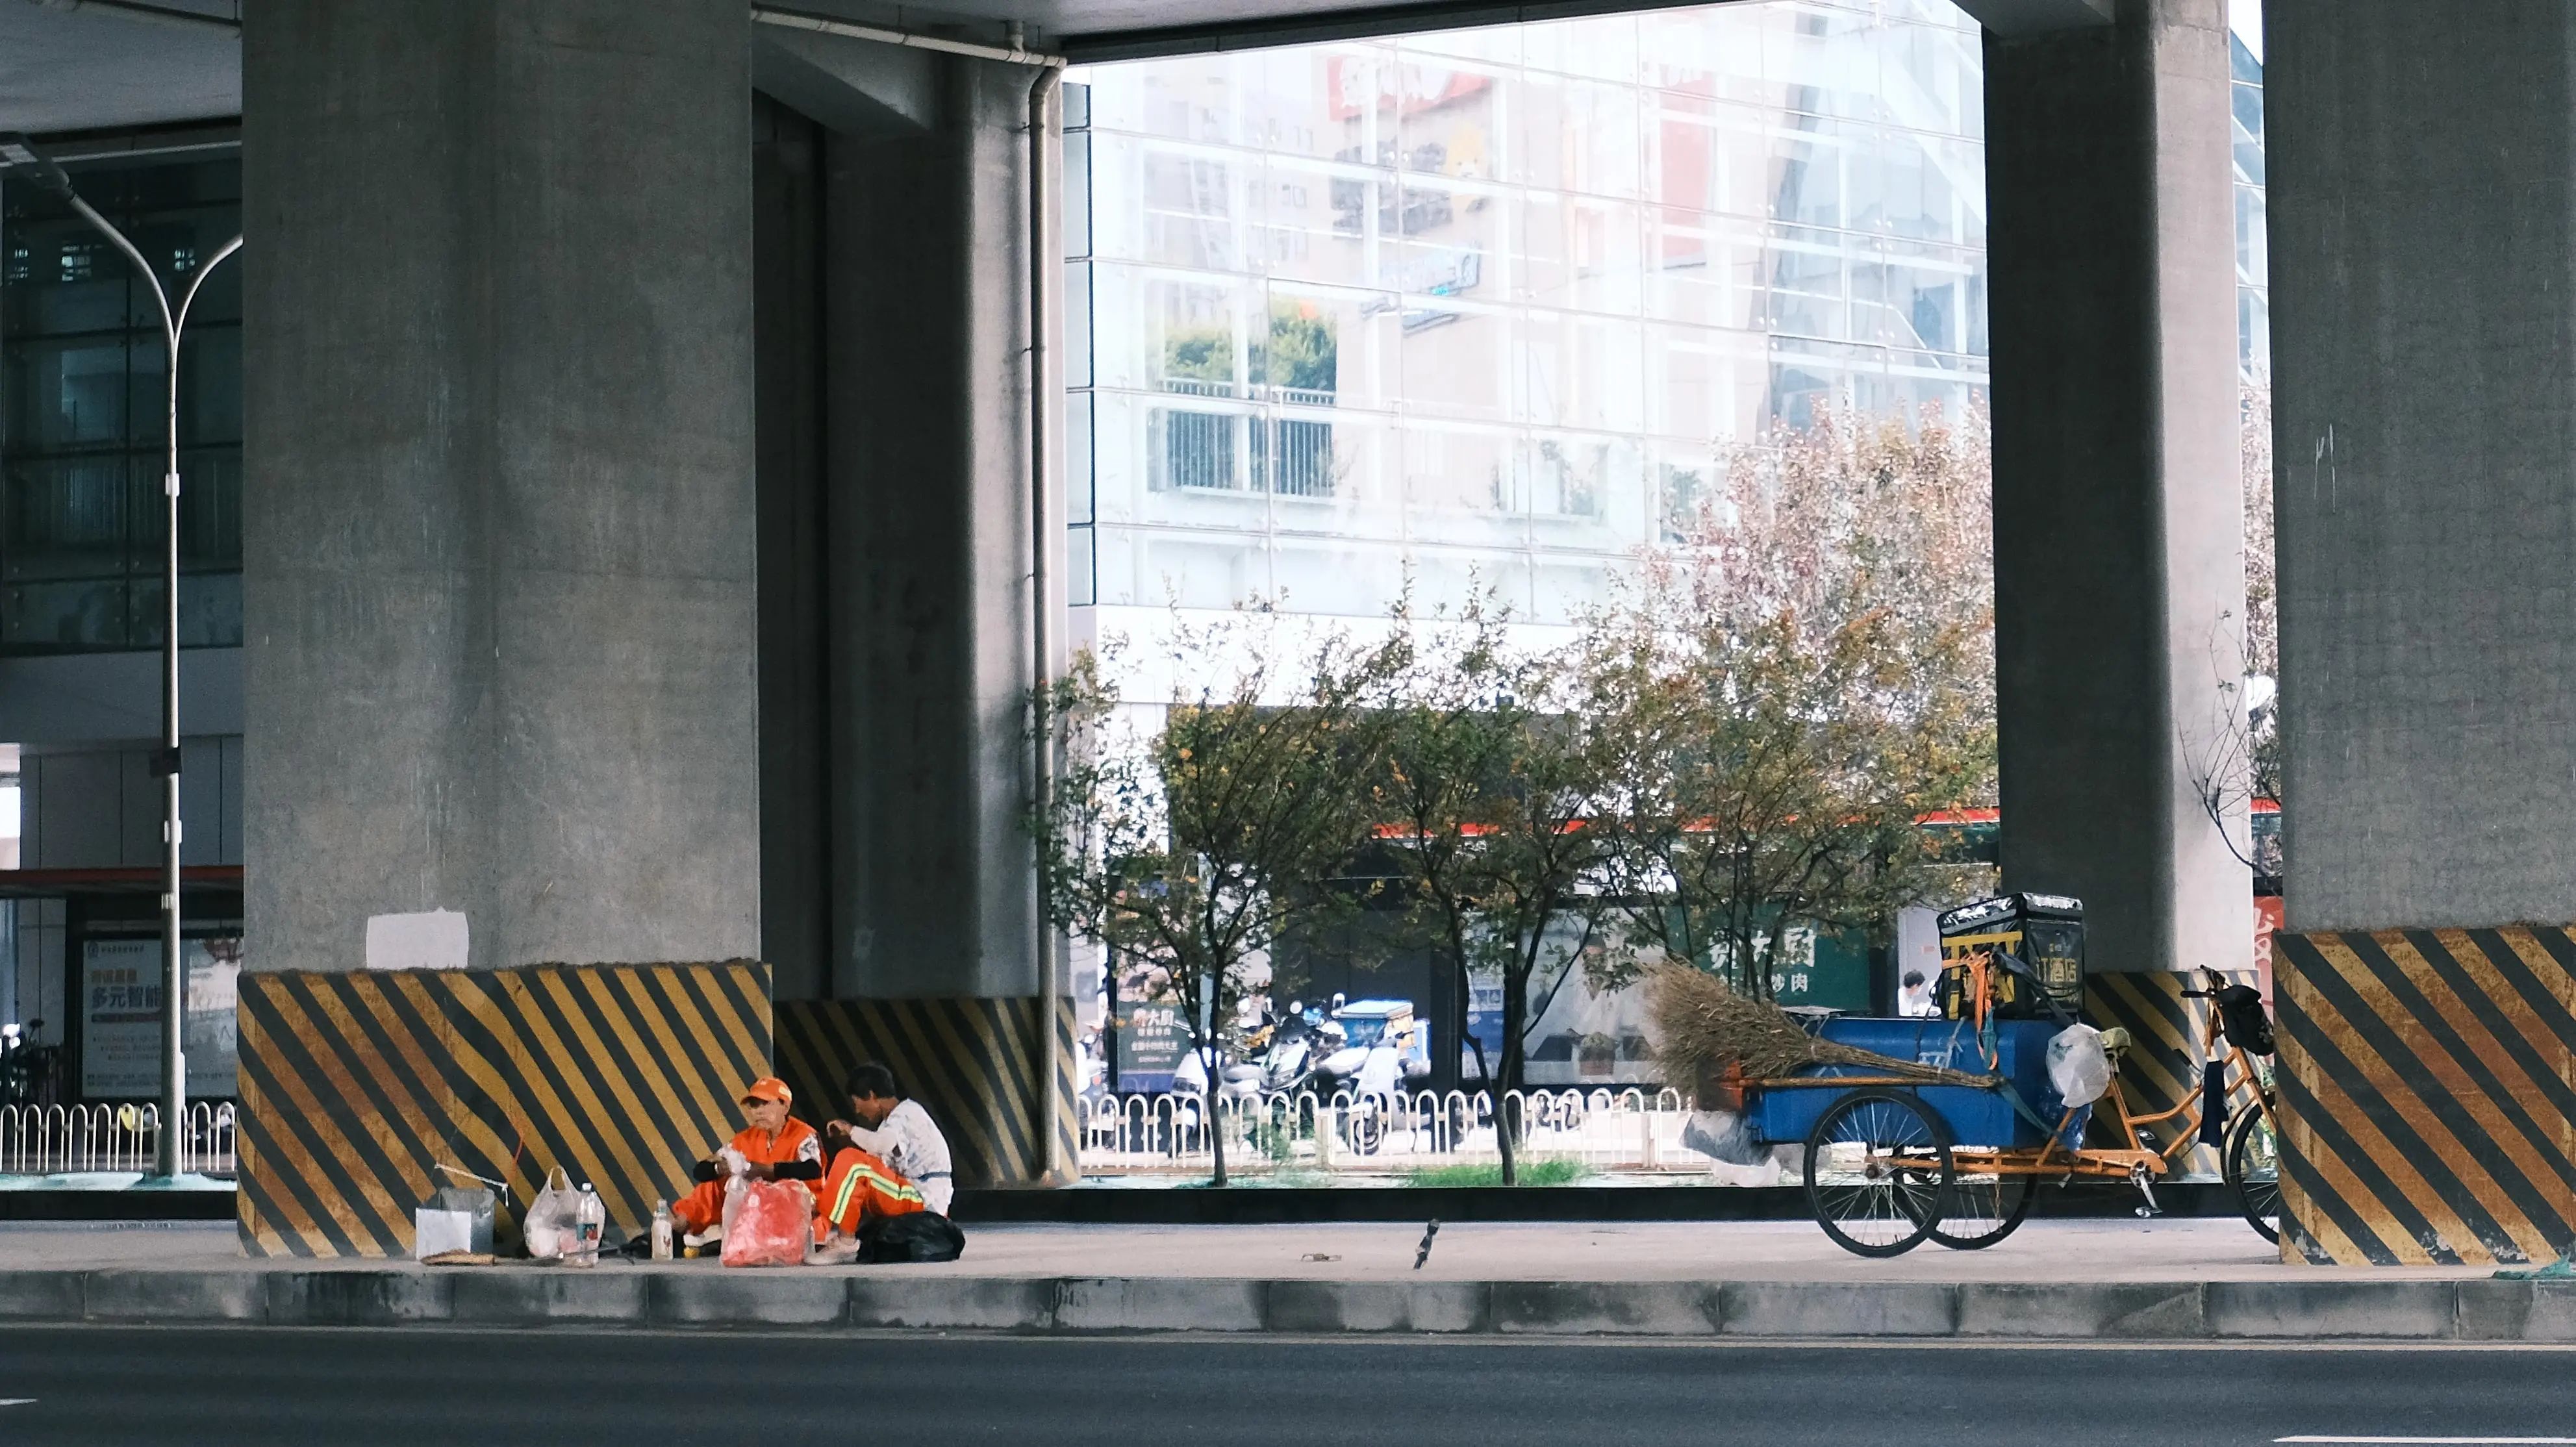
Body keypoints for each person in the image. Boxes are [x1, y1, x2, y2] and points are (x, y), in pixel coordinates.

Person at [672, 1076, 823, 1247]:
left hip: (799, 1214)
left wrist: (765, 1170)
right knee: (715, 1182)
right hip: (757, 1209)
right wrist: (720, 1168)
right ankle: (678, 1229)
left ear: (785, 1106)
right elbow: (701, 1171)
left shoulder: (804, 1134)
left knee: (791, 1189)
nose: (759, 1111)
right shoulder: (745, 1138)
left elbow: (812, 1169)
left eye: (766, 1103)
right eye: (754, 1106)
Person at [824, 1063, 955, 1214]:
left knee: (852, 1163)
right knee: (856, 1172)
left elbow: (880, 1144)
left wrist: (850, 1129)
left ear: (872, 1096)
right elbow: (877, 1161)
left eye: (857, 1103)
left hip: (924, 1195)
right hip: (918, 1193)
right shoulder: (890, 1123)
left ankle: (837, 1227)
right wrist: (848, 1140)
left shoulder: (906, 1113)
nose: (857, 1111)